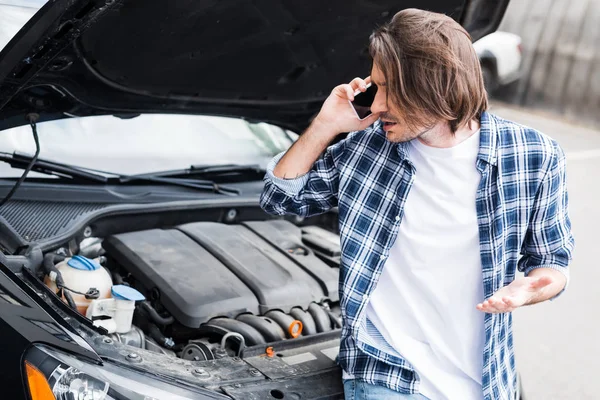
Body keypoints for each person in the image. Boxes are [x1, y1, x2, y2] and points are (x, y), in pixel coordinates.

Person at [259, 8, 574, 400]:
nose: (375, 105)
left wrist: (532, 289)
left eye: (388, 87)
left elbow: (551, 263)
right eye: (374, 86)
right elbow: (278, 199)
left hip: (491, 382)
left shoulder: (534, 157)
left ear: (434, 85)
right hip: (386, 378)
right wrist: (326, 124)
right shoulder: (366, 150)